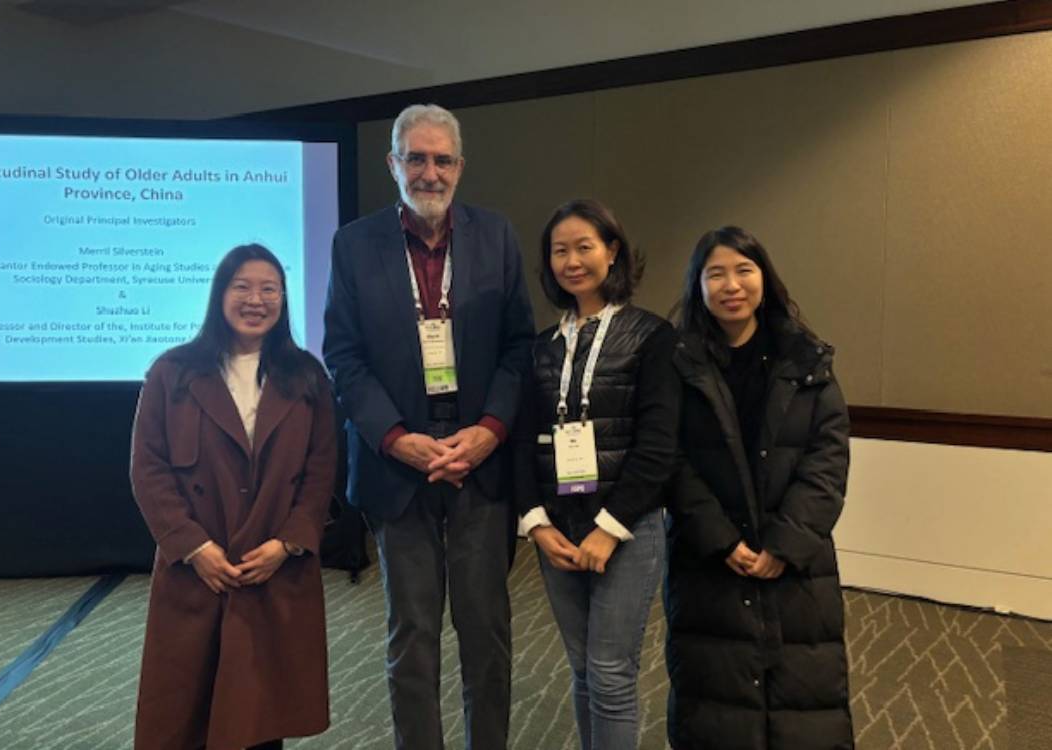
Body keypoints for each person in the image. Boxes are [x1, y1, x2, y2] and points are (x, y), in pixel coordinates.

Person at [322, 103, 535, 750]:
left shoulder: (496, 236)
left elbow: (518, 347)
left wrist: (492, 429)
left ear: (461, 167)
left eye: (442, 159)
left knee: (487, 634)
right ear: (393, 163)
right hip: (398, 466)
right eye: (416, 157)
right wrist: (394, 439)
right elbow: (344, 355)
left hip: (479, 463)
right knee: (411, 637)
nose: (430, 172)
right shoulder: (354, 245)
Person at [130, 243, 336, 750]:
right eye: (241, 286)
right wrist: (193, 547)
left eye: (270, 288)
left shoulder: (307, 378)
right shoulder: (172, 374)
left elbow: (321, 471)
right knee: (184, 715)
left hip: (272, 570)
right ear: (219, 294)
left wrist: (288, 544)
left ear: (284, 300)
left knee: (260, 717)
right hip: (197, 570)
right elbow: (148, 468)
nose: (256, 299)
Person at [664, 226, 853, 749]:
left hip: (798, 566)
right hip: (710, 562)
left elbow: (827, 459)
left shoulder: (807, 361)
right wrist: (723, 540)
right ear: (698, 286)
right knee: (715, 705)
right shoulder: (678, 365)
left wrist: (783, 546)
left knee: (804, 701)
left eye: (744, 270)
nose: (732, 285)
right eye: (715, 273)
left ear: (764, 280)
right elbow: (672, 462)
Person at [514, 199, 680, 750]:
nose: (573, 261)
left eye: (585, 246)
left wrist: (609, 528)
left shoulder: (653, 336)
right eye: (560, 251)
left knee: (610, 671)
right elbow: (520, 443)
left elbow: (659, 447)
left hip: (627, 529)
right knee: (583, 667)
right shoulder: (541, 347)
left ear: (613, 252)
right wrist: (538, 526)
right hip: (557, 530)